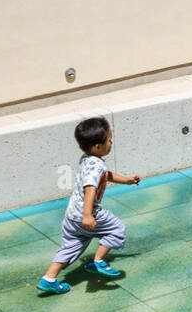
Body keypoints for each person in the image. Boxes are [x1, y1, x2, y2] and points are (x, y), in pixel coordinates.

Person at [38, 117, 140, 294]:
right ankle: (97, 261)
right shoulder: (96, 165)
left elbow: (105, 175)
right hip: (88, 214)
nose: (111, 142)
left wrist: (126, 181)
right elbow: (90, 189)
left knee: (71, 247)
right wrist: (88, 215)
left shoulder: (87, 159)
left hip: (71, 216)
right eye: (109, 140)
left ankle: (49, 279)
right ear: (98, 146)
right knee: (116, 229)